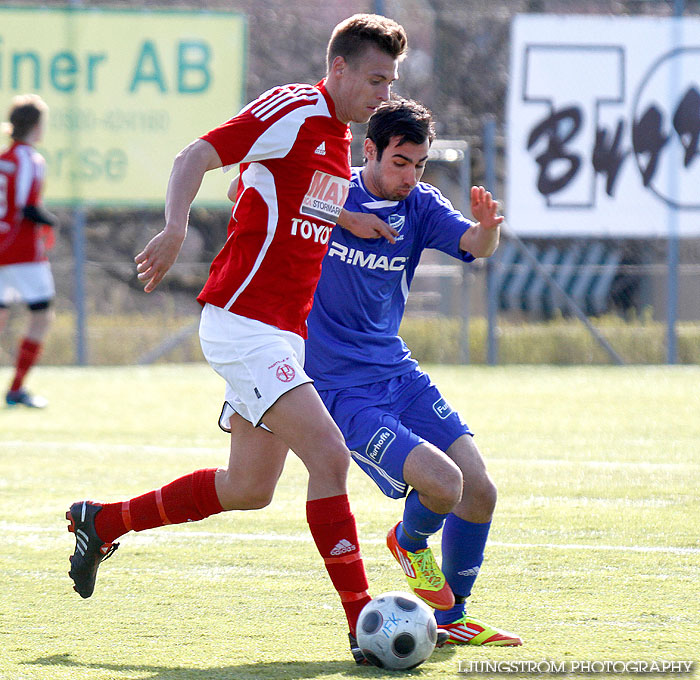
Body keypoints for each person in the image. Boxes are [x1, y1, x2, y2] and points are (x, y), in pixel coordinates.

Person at [66, 14, 408, 664]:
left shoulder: (335, 137)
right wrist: (174, 227)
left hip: (283, 334)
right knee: (331, 458)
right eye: (374, 79)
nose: (382, 95)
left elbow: (276, 186)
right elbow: (195, 156)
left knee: (249, 487)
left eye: (390, 83)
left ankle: (101, 521)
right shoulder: (295, 107)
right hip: (244, 323)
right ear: (337, 68)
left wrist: (351, 217)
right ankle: (363, 623)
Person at [304, 98, 523, 646]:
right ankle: (407, 541)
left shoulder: (421, 205)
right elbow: (245, 192)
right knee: (443, 485)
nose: (411, 176)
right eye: (400, 162)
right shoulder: (330, 188)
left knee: (479, 491)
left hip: (400, 375)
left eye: (420, 165)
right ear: (370, 150)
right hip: (340, 390)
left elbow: (474, 245)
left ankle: (452, 619)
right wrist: (344, 216)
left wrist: (488, 228)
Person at [0, 94, 58, 409]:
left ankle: (16, 389)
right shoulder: (29, 159)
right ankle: (16, 388)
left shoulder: (3, 159)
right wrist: (52, 222)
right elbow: (27, 208)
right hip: (21, 251)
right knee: (41, 316)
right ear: (36, 126)